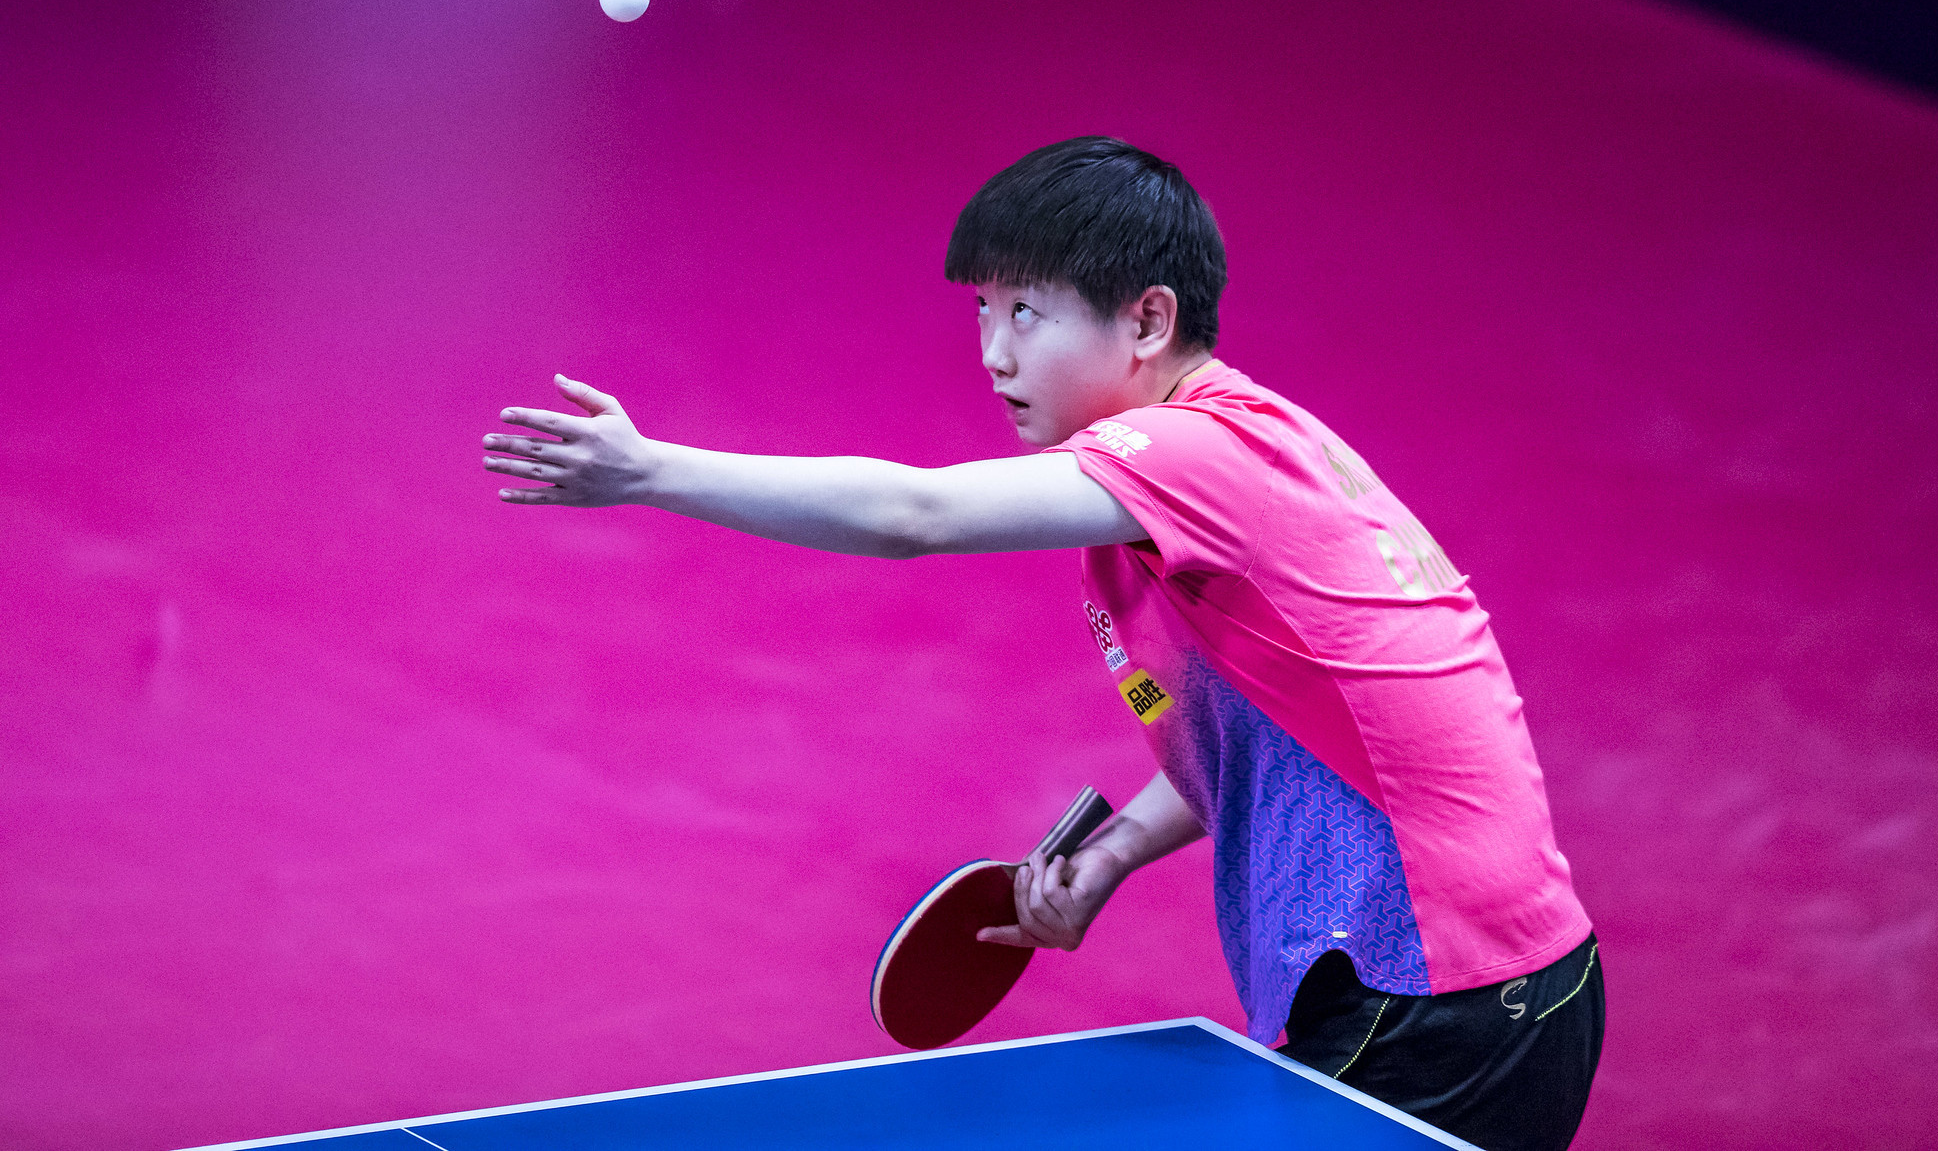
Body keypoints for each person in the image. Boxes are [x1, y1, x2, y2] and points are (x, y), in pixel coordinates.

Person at [481, 136, 1602, 1150]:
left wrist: (650, 471)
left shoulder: (1195, 459)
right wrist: (1109, 855)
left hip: (1436, 1001)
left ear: (1147, 322)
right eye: (982, 310)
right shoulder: (1234, 455)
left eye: (1026, 312)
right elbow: (1274, 738)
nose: (992, 351)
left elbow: (912, 515)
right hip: (1492, 984)